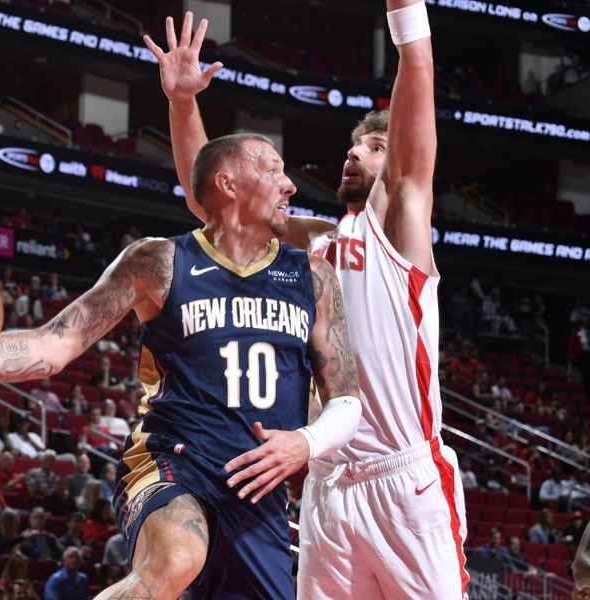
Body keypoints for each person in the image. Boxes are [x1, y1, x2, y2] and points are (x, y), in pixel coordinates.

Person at [0, 119, 358, 600]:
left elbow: (347, 401)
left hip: (258, 490)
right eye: (273, 169)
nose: (290, 184)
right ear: (228, 182)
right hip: (173, 461)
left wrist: (306, 443)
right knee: (176, 559)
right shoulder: (159, 261)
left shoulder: (313, 277)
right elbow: (53, 345)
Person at [152, 5, 467, 596]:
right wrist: (182, 103)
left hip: (405, 481)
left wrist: (403, 12)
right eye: (354, 145)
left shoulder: (402, 222)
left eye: (374, 146)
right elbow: (216, 204)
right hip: (325, 481)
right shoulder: (315, 241)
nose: (356, 153)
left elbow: (416, 66)